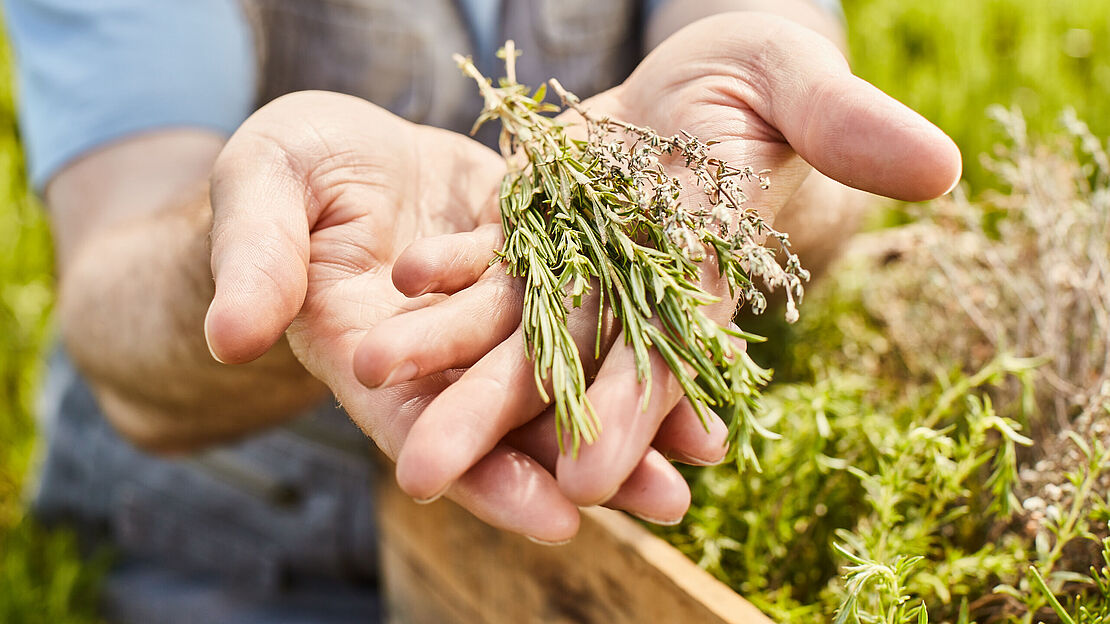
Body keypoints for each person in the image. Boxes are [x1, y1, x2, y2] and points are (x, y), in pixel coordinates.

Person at [2, 0, 961, 621]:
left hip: (599, 538)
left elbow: (802, 148)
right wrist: (255, 246)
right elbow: (112, 286)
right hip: (235, 548)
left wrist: (774, 170)